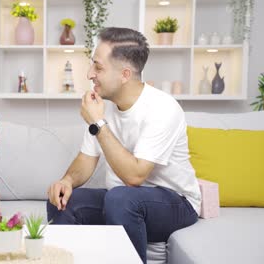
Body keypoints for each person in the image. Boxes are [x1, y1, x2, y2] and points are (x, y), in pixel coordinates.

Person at [46, 27, 201, 263]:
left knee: (121, 198)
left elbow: (135, 176)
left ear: (125, 74)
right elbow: (86, 160)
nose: (89, 74)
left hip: (176, 204)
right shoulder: (104, 105)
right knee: (64, 201)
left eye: (98, 67)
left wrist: (98, 123)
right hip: (123, 201)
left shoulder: (162, 108)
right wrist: (66, 181)